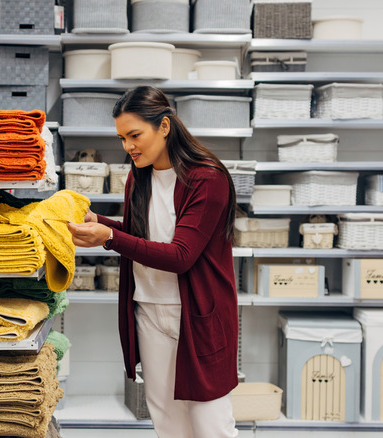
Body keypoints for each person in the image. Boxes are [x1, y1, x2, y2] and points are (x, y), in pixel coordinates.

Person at [67, 85, 239, 438]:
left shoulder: (207, 178)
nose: (128, 147)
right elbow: (140, 235)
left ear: (164, 126)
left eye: (134, 135)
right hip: (148, 309)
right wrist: (100, 223)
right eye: (121, 138)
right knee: (167, 423)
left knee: (212, 426)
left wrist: (111, 238)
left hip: (197, 316)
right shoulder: (138, 176)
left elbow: (181, 255)